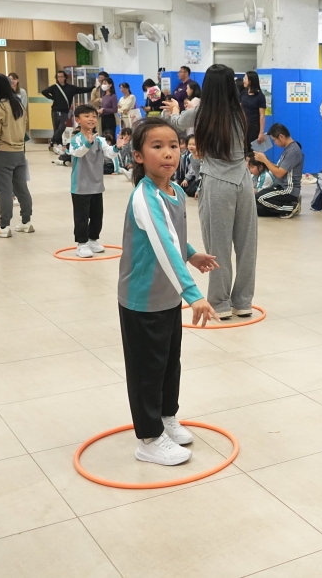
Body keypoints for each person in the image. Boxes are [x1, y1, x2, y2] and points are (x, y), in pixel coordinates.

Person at [118, 119, 218, 466]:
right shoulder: (144, 196)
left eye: (174, 146)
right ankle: (148, 438)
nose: (168, 153)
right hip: (143, 300)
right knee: (147, 370)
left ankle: (165, 417)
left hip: (167, 296)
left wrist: (192, 254)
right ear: (138, 156)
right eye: (157, 146)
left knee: (168, 363)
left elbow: (173, 236)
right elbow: (162, 243)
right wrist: (193, 294)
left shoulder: (174, 190)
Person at [192, 63, 259, 320]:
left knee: (217, 246)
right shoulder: (239, 113)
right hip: (243, 182)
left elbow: (175, 122)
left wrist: (174, 110)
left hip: (217, 184)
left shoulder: (201, 114)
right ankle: (243, 302)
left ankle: (220, 303)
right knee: (247, 245)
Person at [0, 72, 33, 237]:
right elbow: (24, 127)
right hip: (19, 152)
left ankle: (4, 226)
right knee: (22, 189)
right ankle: (26, 222)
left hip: (3, 154)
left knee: (4, 191)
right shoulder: (18, 105)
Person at [67, 105, 116, 258]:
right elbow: (77, 152)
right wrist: (87, 144)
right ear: (78, 120)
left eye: (94, 116)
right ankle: (81, 244)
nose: (91, 119)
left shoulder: (100, 140)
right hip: (80, 186)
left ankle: (92, 240)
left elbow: (109, 153)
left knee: (97, 216)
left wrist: (118, 148)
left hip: (97, 185)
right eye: (87, 116)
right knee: (81, 217)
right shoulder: (75, 139)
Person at [253, 124, 304, 218]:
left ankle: (291, 207)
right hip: (280, 186)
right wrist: (264, 160)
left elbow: (279, 173)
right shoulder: (288, 149)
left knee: (259, 198)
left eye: (274, 140)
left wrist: (265, 160)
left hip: (288, 190)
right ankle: (285, 207)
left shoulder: (293, 151)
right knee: (256, 208)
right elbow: (278, 167)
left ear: (281, 136)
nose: (275, 143)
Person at [42, 71, 91, 152]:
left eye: (61, 76)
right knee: (56, 128)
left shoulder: (70, 88)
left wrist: (93, 87)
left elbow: (81, 90)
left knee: (62, 127)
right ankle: (59, 144)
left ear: (65, 77)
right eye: (58, 77)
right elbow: (44, 92)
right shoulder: (54, 87)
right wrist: (52, 97)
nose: (60, 78)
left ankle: (52, 140)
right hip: (55, 110)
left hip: (65, 111)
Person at [240, 70, 267, 144]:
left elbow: (262, 116)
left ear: (251, 81)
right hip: (243, 126)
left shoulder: (260, 96)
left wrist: (261, 132)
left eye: (245, 78)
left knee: (253, 149)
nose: (243, 80)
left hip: (254, 128)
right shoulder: (243, 94)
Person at [175, 134, 200, 198]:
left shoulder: (201, 157)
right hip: (196, 178)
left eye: (194, 144)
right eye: (189, 144)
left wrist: (186, 179)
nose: (191, 146)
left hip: (197, 178)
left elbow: (194, 171)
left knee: (190, 192)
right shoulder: (189, 156)